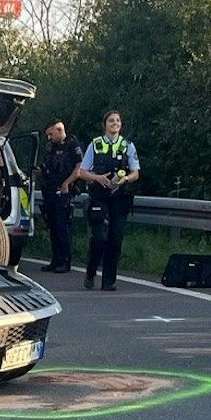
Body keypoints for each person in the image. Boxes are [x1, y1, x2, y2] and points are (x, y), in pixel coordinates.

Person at [79, 110, 141, 290]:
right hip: (99, 198)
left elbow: (135, 173)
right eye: (111, 120)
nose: (115, 123)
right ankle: (91, 272)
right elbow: (82, 172)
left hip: (119, 199)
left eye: (118, 120)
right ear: (105, 124)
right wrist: (97, 178)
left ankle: (109, 281)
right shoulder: (95, 144)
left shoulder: (128, 145)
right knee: (98, 239)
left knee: (116, 239)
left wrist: (125, 180)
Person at [37, 120, 84, 273]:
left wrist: (67, 183)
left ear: (59, 129)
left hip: (64, 192)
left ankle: (65, 261)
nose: (49, 138)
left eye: (51, 134)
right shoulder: (50, 148)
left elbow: (78, 169)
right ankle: (55, 260)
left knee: (62, 226)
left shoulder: (72, 145)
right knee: (52, 226)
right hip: (50, 191)